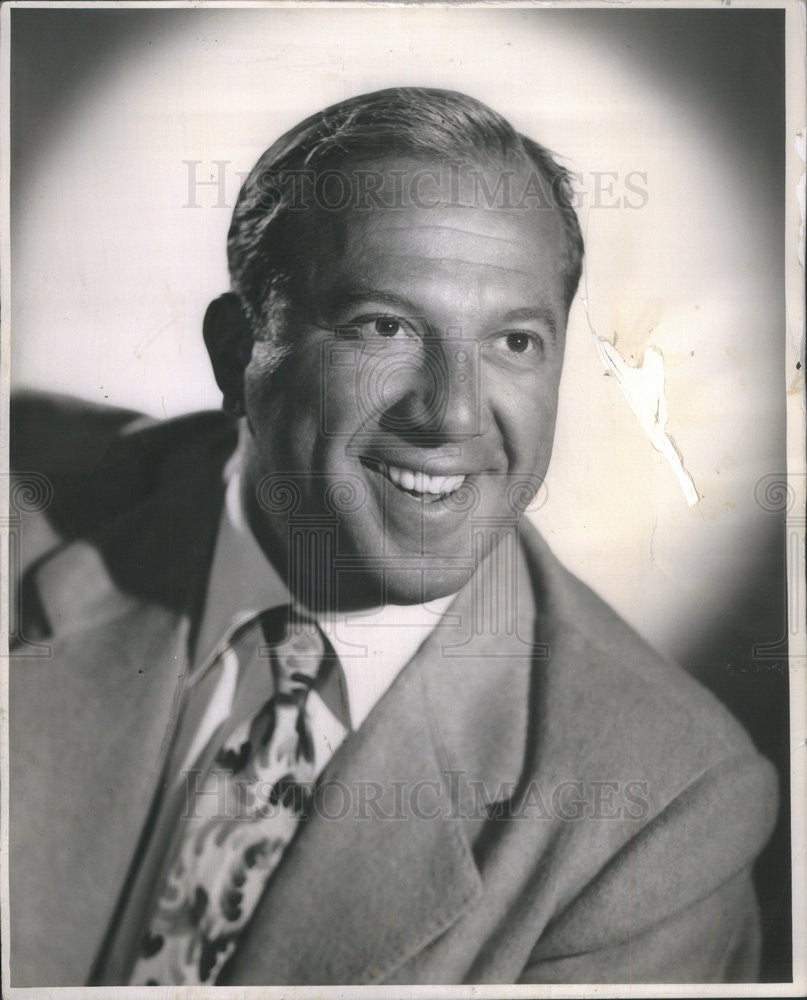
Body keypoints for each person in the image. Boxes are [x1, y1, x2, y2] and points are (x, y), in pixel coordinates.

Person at [8, 87, 778, 987]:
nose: (451, 415)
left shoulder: (665, 806)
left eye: (514, 343)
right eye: (385, 326)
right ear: (237, 355)